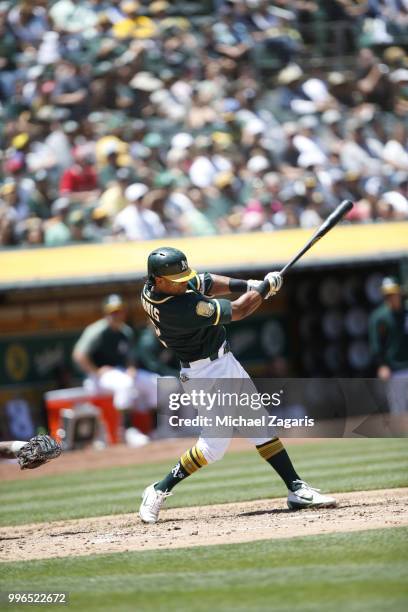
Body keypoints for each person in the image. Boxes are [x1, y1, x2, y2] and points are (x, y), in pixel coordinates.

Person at [138, 246, 336, 523]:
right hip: (204, 375)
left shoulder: (157, 287)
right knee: (213, 447)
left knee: (260, 426)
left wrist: (248, 284)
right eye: (178, 280)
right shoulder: (178, 307)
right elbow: (240, 309)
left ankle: (296, 488)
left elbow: (204, 281)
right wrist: (264, 290)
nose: (185, 283)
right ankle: (158, 489)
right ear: (159, 280)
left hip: (223, 362)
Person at [72, 294, 158, 447]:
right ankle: (127, 431)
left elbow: (130, 356)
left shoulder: (126, 331)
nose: (116, 315)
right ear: (106, 313)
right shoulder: (97, 330)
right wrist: (96, 371)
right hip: (98, 378)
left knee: (155, 382)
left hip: (120, 372)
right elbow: (79, 355)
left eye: (119, 311)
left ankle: (156, 429)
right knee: (124, 384)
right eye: (112, 312)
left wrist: (131, 368)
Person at [369, 277, 408, 414]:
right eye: (387, 295)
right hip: (395, 368)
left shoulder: (406, 313)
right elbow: (376, 344)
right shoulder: (380, 317)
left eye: (393, 294)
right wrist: (382, 365)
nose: (390, 297)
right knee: (399, 409)